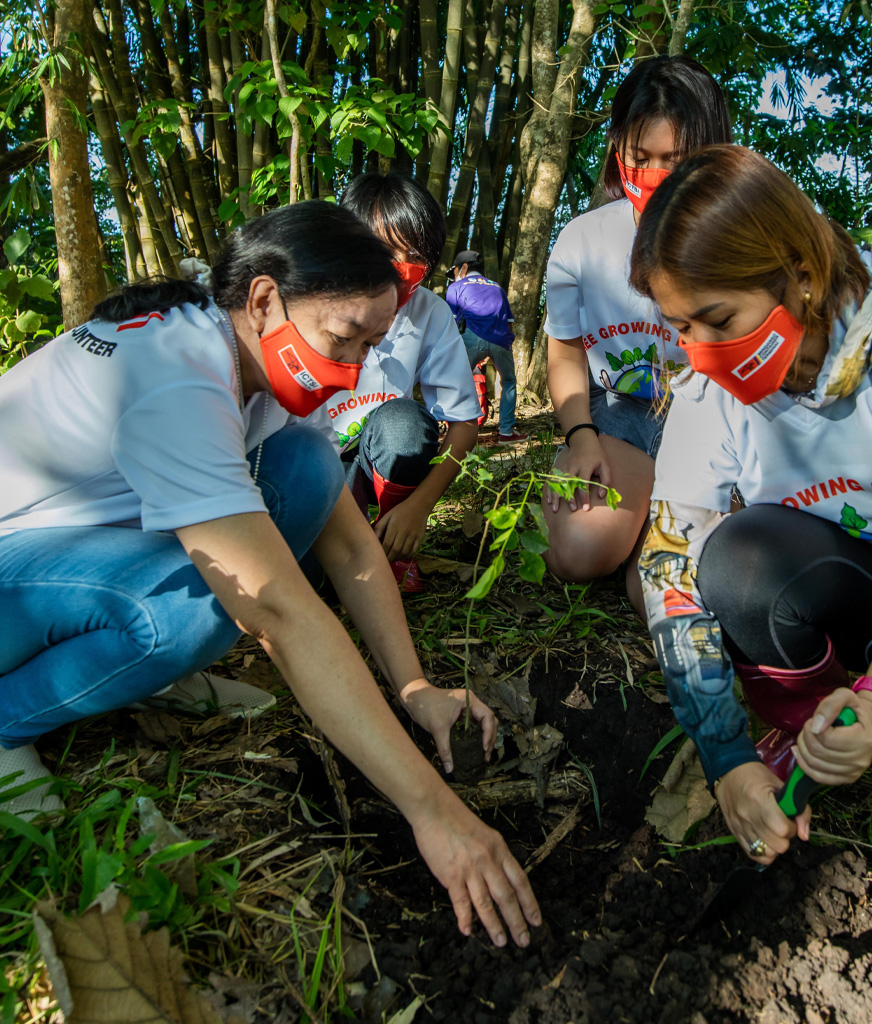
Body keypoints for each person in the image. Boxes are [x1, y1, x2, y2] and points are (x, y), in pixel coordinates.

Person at [0, 201, 541, 948]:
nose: (353, 371)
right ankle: (9, 718)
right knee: (194, 609)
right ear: (262, 299)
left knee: (307, 465)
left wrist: (414, 688)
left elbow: (350, 548)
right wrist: (434, 811)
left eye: (372, 346)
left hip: (78, 545)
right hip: (13, 564)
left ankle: (148, 673)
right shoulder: (177, 379)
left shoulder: (253, 362)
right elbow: (278, 612)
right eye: (345, 339)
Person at [630, 145, 872, 861]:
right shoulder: (711, 386)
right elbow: (669, 563)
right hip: (861, 576)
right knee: (740, 558)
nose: (699, 354)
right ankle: (807, 726)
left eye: (718, 320)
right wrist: (727, 758)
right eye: (680, 326)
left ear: (802, 277)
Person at [542, 55, 733, 612]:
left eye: (675, 160)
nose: (653, 174)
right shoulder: (581, 240)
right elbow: (565, 350)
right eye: (640, 157)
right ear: (617, 147)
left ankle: (655, 519)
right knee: (580, 553)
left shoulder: (739, 237)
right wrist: (581, 436)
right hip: (619, 414)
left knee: (663, 589)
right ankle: (636, 511)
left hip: (713, 418)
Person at [335, 173, 481, 592]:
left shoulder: (428, 312)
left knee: (405, 423)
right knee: (318, 572)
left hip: (381, 454)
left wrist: (419, 507)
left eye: (413, 255)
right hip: (318, 464)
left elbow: (463, 421)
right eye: (382, 250)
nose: (399, 265)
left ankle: (393, 546)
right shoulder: (311, 299)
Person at [445, 250, 525, 444]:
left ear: (463, 268)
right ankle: (506, 432)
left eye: (454, 271)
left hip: (470, 336)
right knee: (508, 382)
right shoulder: (497, 287)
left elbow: (450, 323)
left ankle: (458, 430)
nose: (454, 276)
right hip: (500, 338)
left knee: (457, 381)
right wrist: (499, 345)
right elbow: (509, 322)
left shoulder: (457, 286)